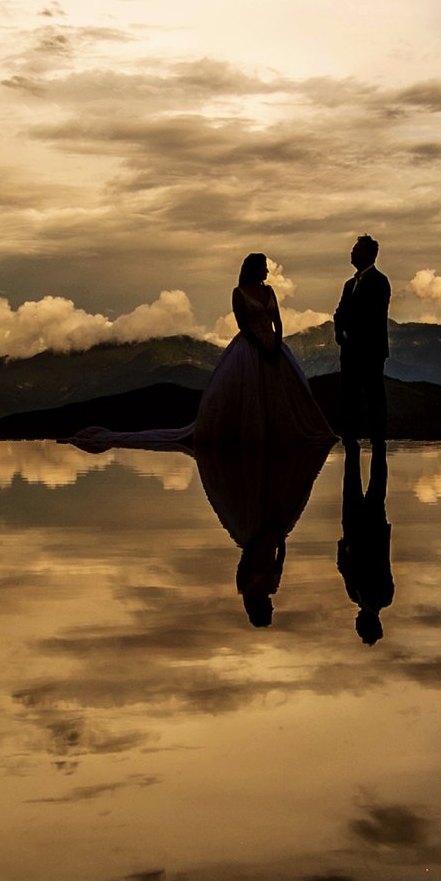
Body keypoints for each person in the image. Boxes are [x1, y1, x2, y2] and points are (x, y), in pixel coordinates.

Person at [68, 253, 336, 453]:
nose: (268, 270)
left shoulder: (269, 291)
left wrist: (276, 344)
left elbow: (277, 320)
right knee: (251, 395)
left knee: (281, 394)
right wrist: (261, 347)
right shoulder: (239, 292)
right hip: (251, 348)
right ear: (254, 269)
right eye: (264, 266)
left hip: (274, 349)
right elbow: (244, 324)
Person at [334, 234, 390, 447]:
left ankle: (378, 437)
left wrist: (354, 337)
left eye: (357, 249)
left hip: (370, 350)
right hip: (349, 350)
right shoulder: (349, 284)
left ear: (369, 254)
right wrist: (340, 335)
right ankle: (350, 436)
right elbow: (339, 312)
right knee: (349, 396)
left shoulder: (379, 281)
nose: (352, 252)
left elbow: (374, 315)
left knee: (374, 395)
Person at [338, 439, 392, 644]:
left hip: (365, 531)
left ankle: (370, 445)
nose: (356, 620)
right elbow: (349, 567)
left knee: (366, 482)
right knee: (363, 482)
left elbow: (345, 567)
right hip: (365, 532)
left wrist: (342, 549)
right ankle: (368, 445)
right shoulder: (372, 596)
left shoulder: (363, 597)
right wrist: (342, 549)